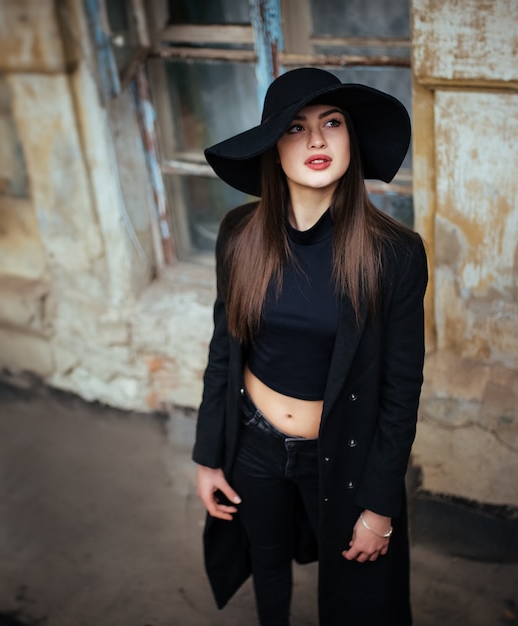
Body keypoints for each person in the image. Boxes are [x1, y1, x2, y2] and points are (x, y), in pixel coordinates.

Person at [193, 67, 428, 626]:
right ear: (273, 148)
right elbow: (223, 349)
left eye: (332, 123)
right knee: (267, 568)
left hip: (341, 454)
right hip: (252, 444)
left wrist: (379, 507)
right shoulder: (239, 235)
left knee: (357, 593)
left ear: (352, 138)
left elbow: (402, 390)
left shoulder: (394, 254)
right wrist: (209, 456)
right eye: (296, 128)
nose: (317, 140)